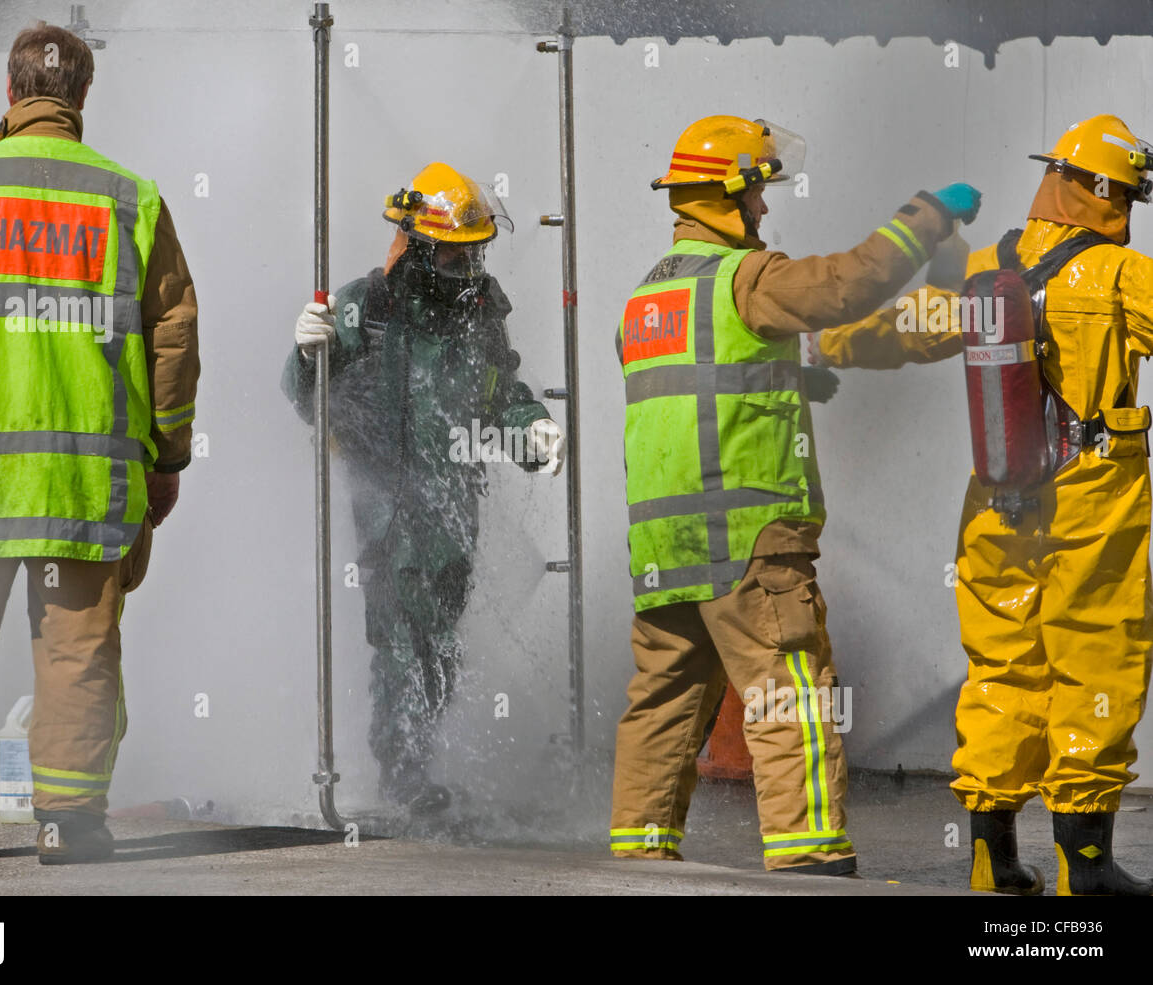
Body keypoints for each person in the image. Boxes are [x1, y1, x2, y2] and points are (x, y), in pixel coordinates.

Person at [610, 114, 978, 873]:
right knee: (790, 694)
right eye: (758, 194)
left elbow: (691, 396)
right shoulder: (749, 278)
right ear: (727, 198)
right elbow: (849, 284)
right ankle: (810, 860)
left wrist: (786, 377)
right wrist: (927, 216)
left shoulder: (645, 299)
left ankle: (639, 860)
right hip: (746, 542)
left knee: (661, 707)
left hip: (660, 549)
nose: (766, 210)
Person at [0, 22, 199, 864]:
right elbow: (174, 338)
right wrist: (167, 458)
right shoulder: (134, 200)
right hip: (89, 485)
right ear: (82, 97)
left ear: (11, 94)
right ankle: (68, 821)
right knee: (78, 652)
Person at [813, 115, 1153, 896]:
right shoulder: (1119, 275)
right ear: (1107, 193)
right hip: (1092, 502)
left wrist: (821, 345)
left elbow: (905, 328)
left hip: (998, 501)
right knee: (1094, 657)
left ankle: (990, 859)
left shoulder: (992, 269)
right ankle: (1088, 867)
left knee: (1003, 665)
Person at [283, 162, 565, 813]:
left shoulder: (478, 314)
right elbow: (307, 399)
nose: (465, 269)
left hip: (452, 505)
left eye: (473, 254)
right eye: (451, 254)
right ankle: (403, 769)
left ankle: (416, 755)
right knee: (399, 634)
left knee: (437, 642)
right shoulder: (366, 306)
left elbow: (500, 396)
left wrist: (534, 429)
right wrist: (306, 354)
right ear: (414, 244)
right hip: (386, 503)